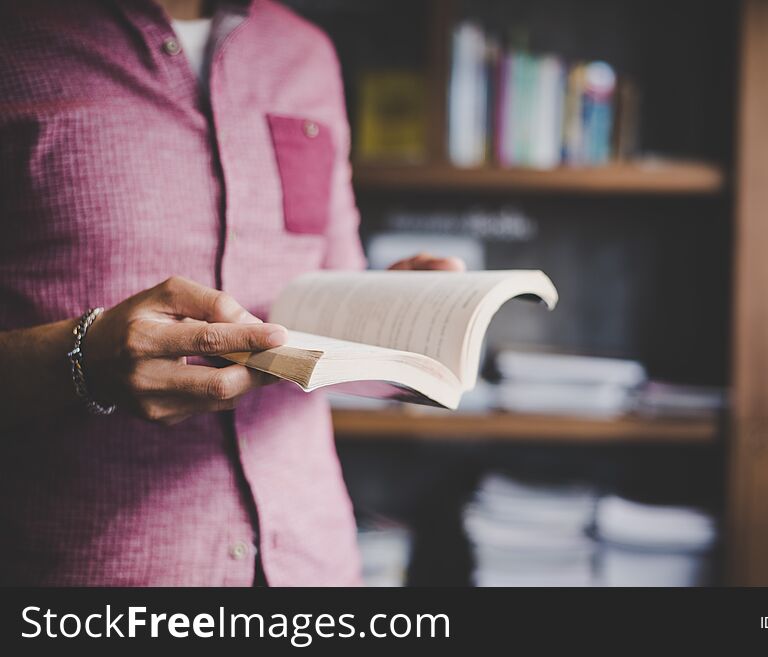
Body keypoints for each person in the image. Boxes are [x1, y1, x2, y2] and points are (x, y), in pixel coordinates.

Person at [0, 0, 462, 586]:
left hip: (313, 565)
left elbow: (329, 274)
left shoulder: (307, 54)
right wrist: (83, 360)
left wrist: (396, 308)